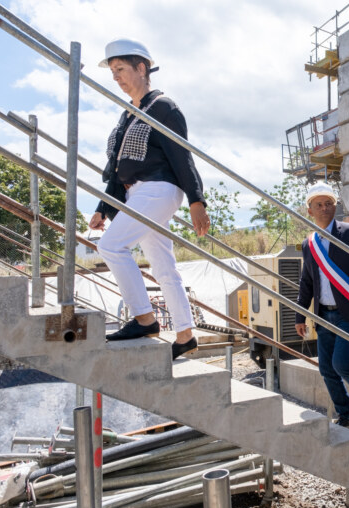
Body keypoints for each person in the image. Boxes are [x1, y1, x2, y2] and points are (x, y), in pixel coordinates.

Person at [88, 39, 209, 359]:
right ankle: (185, 334)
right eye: (112, 72)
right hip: (135, 194)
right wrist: (104, 206)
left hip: (159, 189)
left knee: (111, 246)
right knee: (163, 266)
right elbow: (116, 168)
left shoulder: (164, 107)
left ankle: (144, 318)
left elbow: (181, 155)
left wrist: (197, 200)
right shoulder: (128, 114)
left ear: (142, 68)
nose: (116, 77)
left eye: (121, 69)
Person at [294, 182, 349, 428]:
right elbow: (307, 281)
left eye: (328, 203)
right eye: (318, 205)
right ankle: (344, 415)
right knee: (327, 370)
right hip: (323, 315)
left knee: (341, 363)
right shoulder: (308, 243)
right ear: (309, 210)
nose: (324, 208)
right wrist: (300, 315)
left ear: (335, 206)